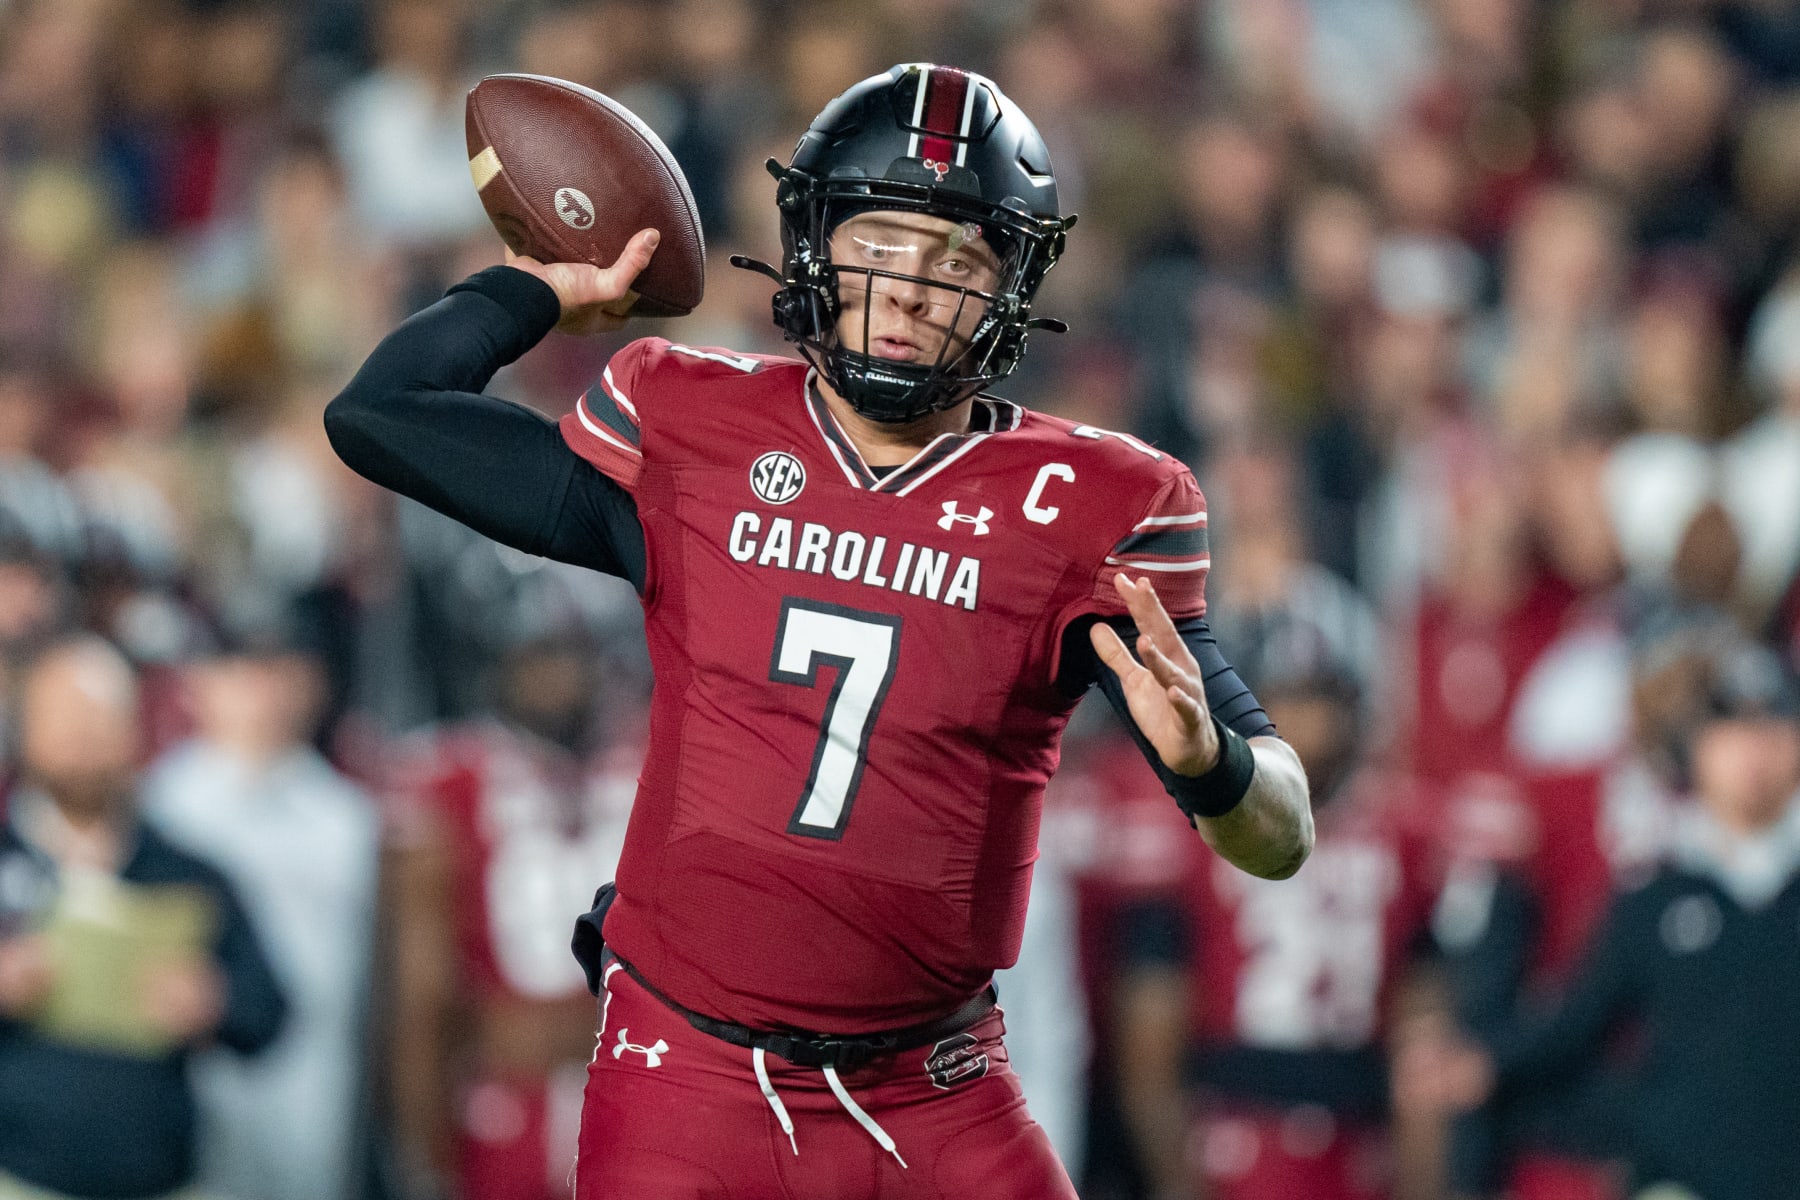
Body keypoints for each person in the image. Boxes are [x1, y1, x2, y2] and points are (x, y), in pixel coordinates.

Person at [326, 63, 1312, 1198]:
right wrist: (537, 290)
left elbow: (1279, 837)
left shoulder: (1088, 504)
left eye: (955, 261)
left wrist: (1215, 766)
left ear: (1014, 285)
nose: (909, 290)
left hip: (935, 1094)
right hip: (684, 1074)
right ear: (813, 247)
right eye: (880, 245)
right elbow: (380, 416)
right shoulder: (694, 426)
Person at [1398, 635, 1800, 1200]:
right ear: (1697, 749)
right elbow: (1578, 1019)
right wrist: (1483, 1062)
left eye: (1771, 726)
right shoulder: (1655, 897)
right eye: (1730, 728)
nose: (1751, 751)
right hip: (1677, 1179)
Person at [0, 636, 287, 1200]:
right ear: (27, 733)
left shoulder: (188, 873)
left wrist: (214, 1000)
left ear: (135, 730)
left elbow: (270, 1010)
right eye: (62, 719)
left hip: (159, 1176)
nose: (81, 740)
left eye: (99, 718)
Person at [382, 633, 640, 1200]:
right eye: (541, 657)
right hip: (505, 1100)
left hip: (636, 1096)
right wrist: (424, 1136)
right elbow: (422, 993)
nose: (562, 678)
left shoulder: (648, 756)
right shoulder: (448, 778)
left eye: (572, 654)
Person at [141, 628, 381, 1200]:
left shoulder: (345, 819)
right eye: (240, 674)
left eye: (272, 674)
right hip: (198, 1065)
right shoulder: (162, 805)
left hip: (311, 1073)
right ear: (199, 686)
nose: (258, 694)